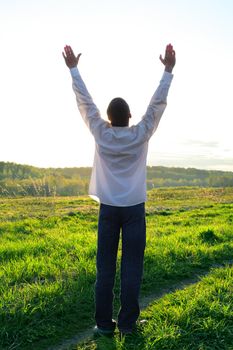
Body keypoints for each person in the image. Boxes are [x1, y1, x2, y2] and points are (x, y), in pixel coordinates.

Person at [62, 44, 175, 337]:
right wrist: (168, 71)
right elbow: (156, 105)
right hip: (135, 209)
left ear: (109, 118)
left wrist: (73, 69)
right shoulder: (140, 133)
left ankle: (102, 324)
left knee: (105, 268)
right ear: (130, 116)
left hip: (109, 209)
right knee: (132, 268)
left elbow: (85, 103)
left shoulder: (102, 133)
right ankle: (126, 325)